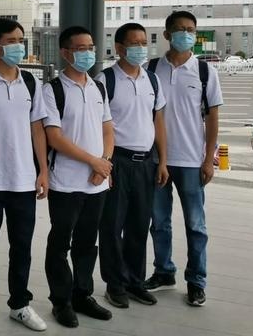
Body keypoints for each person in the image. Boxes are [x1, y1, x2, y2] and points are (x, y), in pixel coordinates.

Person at [0, 18, 49, 333]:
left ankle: (20, 304)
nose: (18, 45)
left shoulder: (31, 82)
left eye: (21, 39)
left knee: (22, 247)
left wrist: (43, 170)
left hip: (23, 181)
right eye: (11, 40)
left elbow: (38, 129)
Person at [144, 11, 222, 307]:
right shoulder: (151, 69)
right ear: (166, 34)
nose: (185, 34)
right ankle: (164, 272)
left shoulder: (204, 72)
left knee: (196, 225)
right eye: (179, 29)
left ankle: (196, 280)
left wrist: (208, 158)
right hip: (157, 160)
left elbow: (213, 117)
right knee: (159, 222)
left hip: (191, 160)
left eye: (190, 29)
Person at [42, 26, 114, 328]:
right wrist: (93, 162)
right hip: (65, 182)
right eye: (81, 48)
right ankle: (61, 301)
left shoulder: (98, 87)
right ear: (66, 52)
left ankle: (82, 294)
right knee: (61, 243)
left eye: (91, 47)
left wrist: (105, 163)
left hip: (97, 184)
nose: (88, 53)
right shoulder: (53, 90)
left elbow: (108, 128)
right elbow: (55, 138)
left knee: (87, 242)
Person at [95, 22, 168, 309]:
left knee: (140, 225)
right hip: (118, 162)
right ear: (120, 48)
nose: (140, 48)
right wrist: (105, 164)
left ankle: (135, 281)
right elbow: (99, 126)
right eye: (134, 43)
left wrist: (162, 161)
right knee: (112, 226)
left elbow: (158, 121)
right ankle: (115, 285)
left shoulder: (152, 80)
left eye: (143, 42)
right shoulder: (105, 80)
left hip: (146, 162)